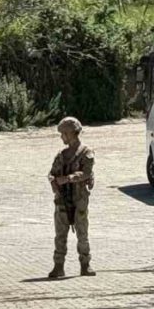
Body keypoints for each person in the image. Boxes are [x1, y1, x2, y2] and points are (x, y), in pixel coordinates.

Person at [47, 117, 95, 279]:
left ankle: (85, 264)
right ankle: (58, 266)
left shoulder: (85, 152)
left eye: (63, 134)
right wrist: (53, 181)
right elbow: (52, 173)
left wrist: (68, 178)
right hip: (62, 199)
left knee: (82, 233)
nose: (62, 137)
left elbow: (86, 173)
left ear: (71, 133)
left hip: (79, 198)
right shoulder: (61, 154)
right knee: (60, 234)